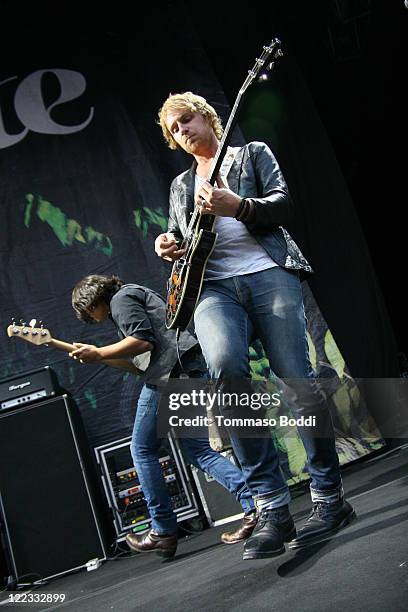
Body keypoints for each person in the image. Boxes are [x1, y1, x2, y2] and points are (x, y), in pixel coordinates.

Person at [154, 92, 355, 560]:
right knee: (226, 372)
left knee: (296, 379)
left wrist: (238, 205)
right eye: (174, 130)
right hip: (213, 289)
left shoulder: (251, 155)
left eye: (186, 121)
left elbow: (284, 207)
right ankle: (272, 506)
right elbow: (181, 240)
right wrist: (168, 244)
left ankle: (329, 498)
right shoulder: (181, 186)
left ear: (206, 117)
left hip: (267, 272)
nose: (183, 132)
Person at [70, 274, 257, 559]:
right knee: (198, 450)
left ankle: (162, 530)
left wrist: (98, 351)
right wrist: (100, 356)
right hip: (187, 370)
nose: (92, 319)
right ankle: (254, 502)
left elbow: (142, 342)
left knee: (142, 450)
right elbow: (138, 363)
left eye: (88, 313)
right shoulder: (132, 296)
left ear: (93, 300)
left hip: (170, 375)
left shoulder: (120, 299)